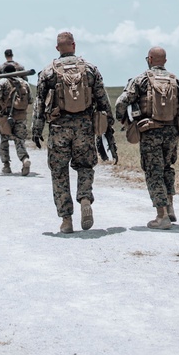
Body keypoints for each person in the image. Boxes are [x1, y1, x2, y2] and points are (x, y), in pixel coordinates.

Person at [32, 31, 112, 233]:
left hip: (59, 128)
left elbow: (39, 104)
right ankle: (85, 199)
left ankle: (66, 220)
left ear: (58, 48)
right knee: (85, 166)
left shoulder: (48, 71)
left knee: (59, 172)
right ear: (74, 46)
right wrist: (107, 126)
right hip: (84, 127)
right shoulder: (90, 69)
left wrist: (36, 129)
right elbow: (103, 100)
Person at [115, 46, 179, 229]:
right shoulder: (176, 81)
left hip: (150, 132)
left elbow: (121, 102)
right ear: (165, 61)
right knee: (167, 168)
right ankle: (169, 207)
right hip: (171, 133)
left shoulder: (141, 80)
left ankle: (161, 216)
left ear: (149, 59)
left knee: (154, 172)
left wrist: (124, 121)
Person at [0, 63, 32, 175]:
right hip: (21, 117)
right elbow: (30, 100)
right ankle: (24, 160)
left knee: (4, 140)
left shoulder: (3, 82)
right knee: (20, 141)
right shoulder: (24, 83)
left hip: (6, 117)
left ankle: (6, 166)